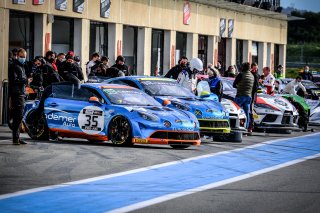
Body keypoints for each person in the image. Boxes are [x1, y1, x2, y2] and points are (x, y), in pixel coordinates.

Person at [8, 48, 28, 145]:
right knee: (18, 116)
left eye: (24, 57)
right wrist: (26, 81)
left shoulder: (22, 66)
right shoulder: (14, 66)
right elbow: (14, 80)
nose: (23, 58)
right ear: (17, 56)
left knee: (19, 116)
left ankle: (17, 137)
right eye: (21, 57)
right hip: (17, 93)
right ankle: (15, 138)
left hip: (21, 92)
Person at [233, 62, 255, 130]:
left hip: (240, 95)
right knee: (246, 112)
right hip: (248, 96)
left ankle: (236, 125)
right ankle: (247, 127)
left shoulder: (241, 74)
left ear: (243, 67)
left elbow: (234, 84)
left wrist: (239, 86)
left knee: (236, 111)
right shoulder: (252, 76)